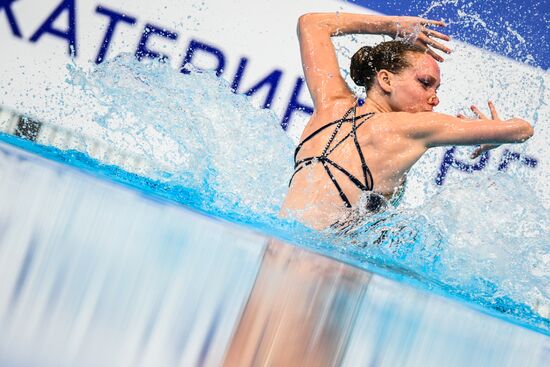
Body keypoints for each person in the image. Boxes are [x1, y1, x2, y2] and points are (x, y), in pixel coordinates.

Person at [280, 12, 534, 230]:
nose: (434, 100)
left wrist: (390, 26)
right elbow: (522, 130)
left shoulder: (330, 105)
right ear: (386, 80)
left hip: (276, 249)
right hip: (322, 269)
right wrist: (494, 136)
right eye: (425, 84)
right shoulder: (412, 128)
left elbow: (311, 24)